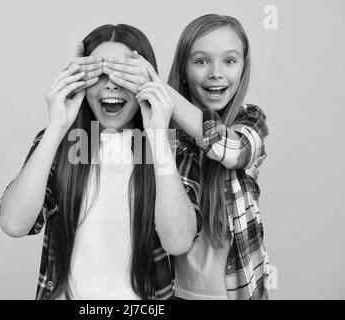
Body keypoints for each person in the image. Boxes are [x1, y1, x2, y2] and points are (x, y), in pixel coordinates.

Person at [0, 24, 201, 300]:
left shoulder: (172, 149)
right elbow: (14, 223)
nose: (111, 84)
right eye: (100, 73)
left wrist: (157, 135)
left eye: (124, 74)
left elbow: (177, 241)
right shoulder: (58, 144)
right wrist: (57, 126)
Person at [102, 14, 270, 299]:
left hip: (241, 291)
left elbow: (231, 149)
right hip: (170, 292)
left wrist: (157, 86)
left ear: (243, 67)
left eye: (229, 61)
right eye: (201, 61)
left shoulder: (251, 120)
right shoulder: (160, 131)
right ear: (183, 67)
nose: (216, 72)